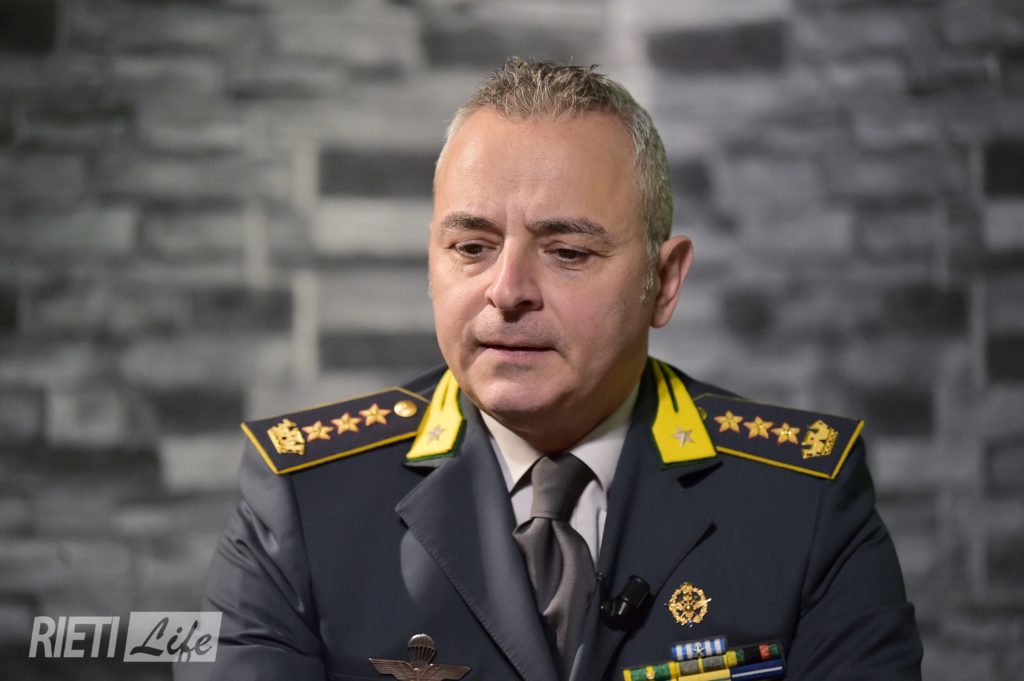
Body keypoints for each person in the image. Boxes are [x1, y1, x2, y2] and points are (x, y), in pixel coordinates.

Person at [177, 58, 922, 681]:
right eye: (471, 248)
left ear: (663, 283)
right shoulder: (303, 499)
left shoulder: (804, 501)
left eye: (567, 252)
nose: (507, 291)